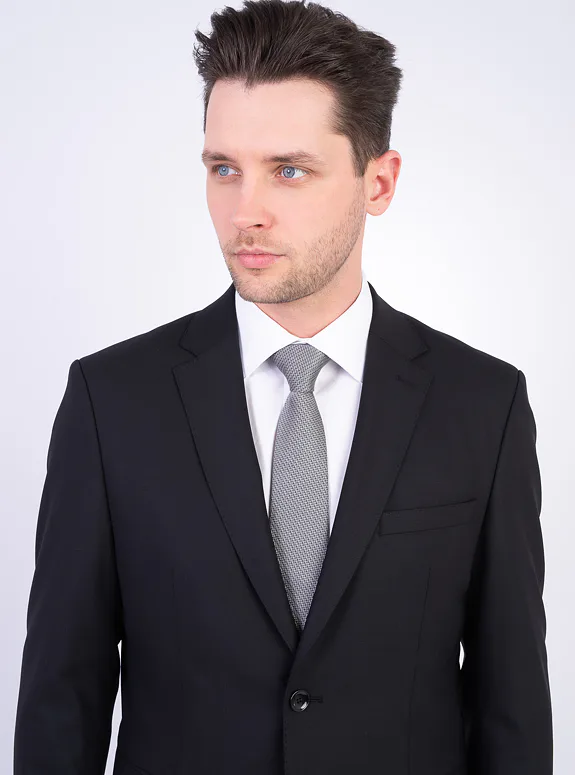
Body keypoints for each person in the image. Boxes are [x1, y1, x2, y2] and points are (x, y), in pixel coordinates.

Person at [13, 1, 553, 773]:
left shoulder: (481, 405)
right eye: (223, 169)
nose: (246, 212)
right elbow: (60, 700)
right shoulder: (112, 402)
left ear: (378, 182)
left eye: (288, 171)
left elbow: (512, 706)